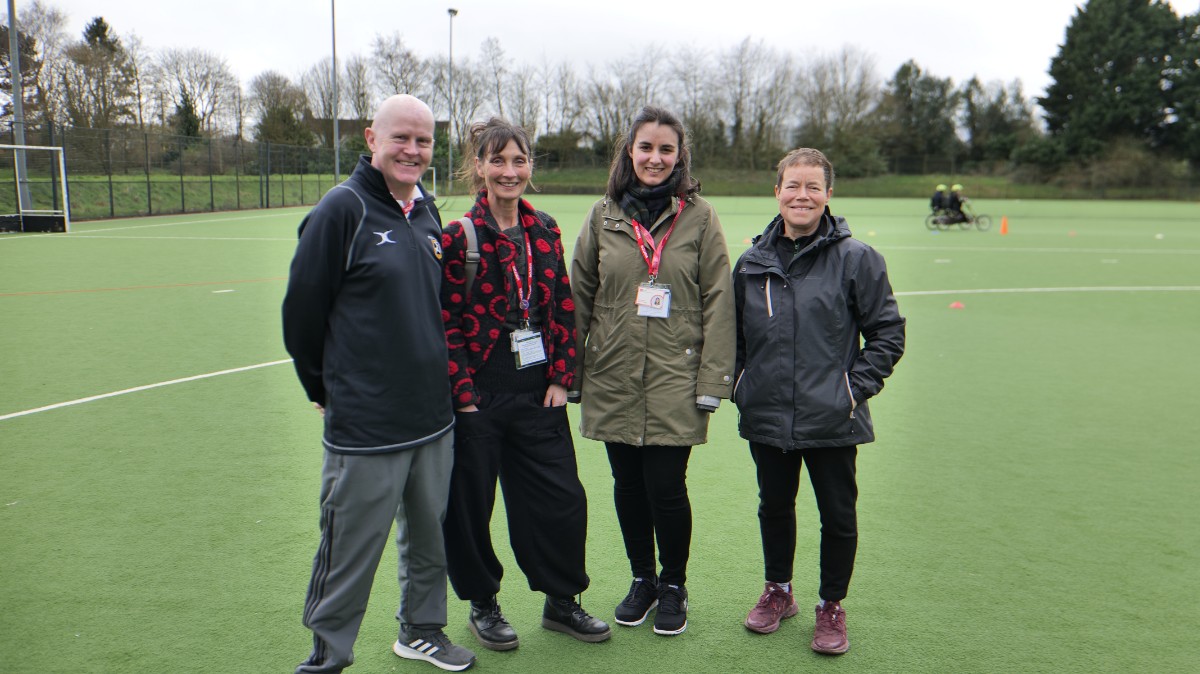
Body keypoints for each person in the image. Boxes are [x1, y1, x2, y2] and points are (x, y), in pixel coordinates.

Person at [282, 94, 476, 673]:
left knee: (428, 541)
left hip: (431, 417)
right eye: (401, 138)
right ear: (372, 139)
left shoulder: (427, 211)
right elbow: (301, 315)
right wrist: (324, 389)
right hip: (366, 424)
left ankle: (421, 631)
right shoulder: (343, 209)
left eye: (423, 141)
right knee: (348, 551)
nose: (412, 150)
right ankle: (327, 658)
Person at [439, 117, 611, 651]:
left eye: (518, 160)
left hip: (539, 394)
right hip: (478, 398)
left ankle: (562, 601)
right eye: (498, 161)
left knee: (561, 501)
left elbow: (562, 303)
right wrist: (464, 395)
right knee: (470, 508)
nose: (509, 171)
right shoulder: (457, 236)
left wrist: (562, 376)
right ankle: (483, 604)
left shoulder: (547, 229)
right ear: (479, 168)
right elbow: (444, 322)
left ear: (530, 166)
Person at [570, 105, 736, 637]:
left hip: (674, 377)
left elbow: (719, 300)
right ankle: (642, 579)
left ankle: (674, 585)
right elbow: (577, 298)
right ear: (629, 151)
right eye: (646, 147)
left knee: (667, 486)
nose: (655, 158)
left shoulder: (700, 217)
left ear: (679, 156)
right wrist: (568, 375)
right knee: (626, 485)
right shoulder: (602, 215)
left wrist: (713, 381)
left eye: (667, 149)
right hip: (613, 375)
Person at [732, 148, 905, 655]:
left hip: (832, 416)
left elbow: (887, 334)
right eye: (792, 185)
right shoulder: (751, 261)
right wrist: (743, 384)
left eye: (812, 187)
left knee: (838, 515)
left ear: (829, 194)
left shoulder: (857, 259)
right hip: (766, 413)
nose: (801, 195)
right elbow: (735, 337)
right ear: (777, 192)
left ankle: (831, 605)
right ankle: (778, 591)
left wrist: (851, 391)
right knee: (774, 507)